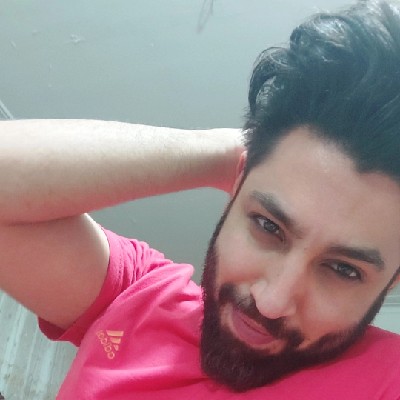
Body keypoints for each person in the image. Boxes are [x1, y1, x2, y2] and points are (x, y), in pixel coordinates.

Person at [1, 0, 400, 398]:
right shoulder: (138, 294)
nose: (271, 301)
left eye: (344, 270)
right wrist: (222, 153)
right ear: (236, 188)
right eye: (268, 226)